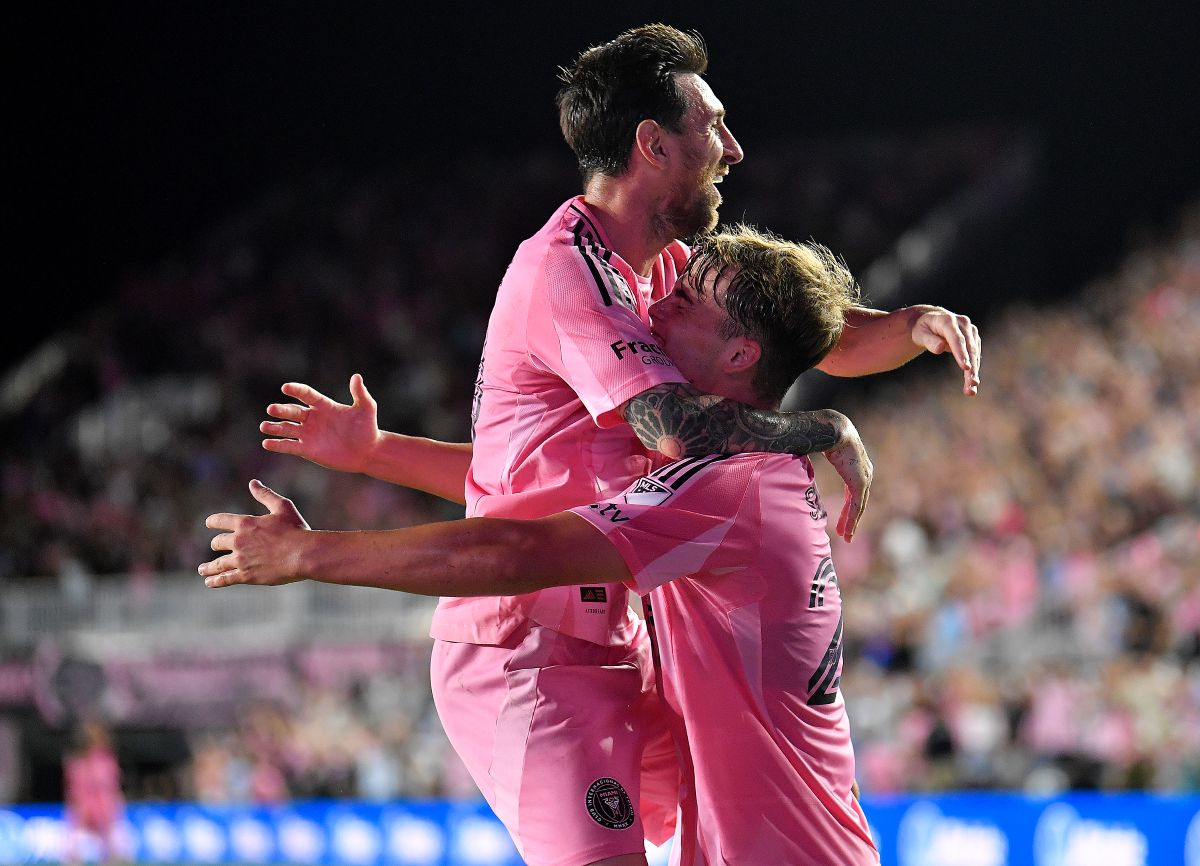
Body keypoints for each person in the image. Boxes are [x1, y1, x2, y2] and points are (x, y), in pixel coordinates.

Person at [253, 25, 979, 866]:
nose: (735, 149)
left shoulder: (660, 272)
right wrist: (824, 427)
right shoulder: (575, 277)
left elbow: (792, 330)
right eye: (714, 125)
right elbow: (639, 457)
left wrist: (907, 325)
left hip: (619, 641)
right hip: (527, 649)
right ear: (653, 145)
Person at [203, 225, 883, 864]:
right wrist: (377, 453)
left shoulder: (722, 486)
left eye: (686, 301)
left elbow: (516, 553)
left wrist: (308, 554)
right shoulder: (744, 471)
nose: (655, 308)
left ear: (739, 355)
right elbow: (544, 491)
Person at [63, 719, 125, 865]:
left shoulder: (106, 759)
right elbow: (74, 785)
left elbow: (112, 783)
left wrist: (113, 802)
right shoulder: (78, 761)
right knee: (74, 840)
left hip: (104, 804)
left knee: (109, 841)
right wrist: (78, 804)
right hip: (83, 803)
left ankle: (110, 861)